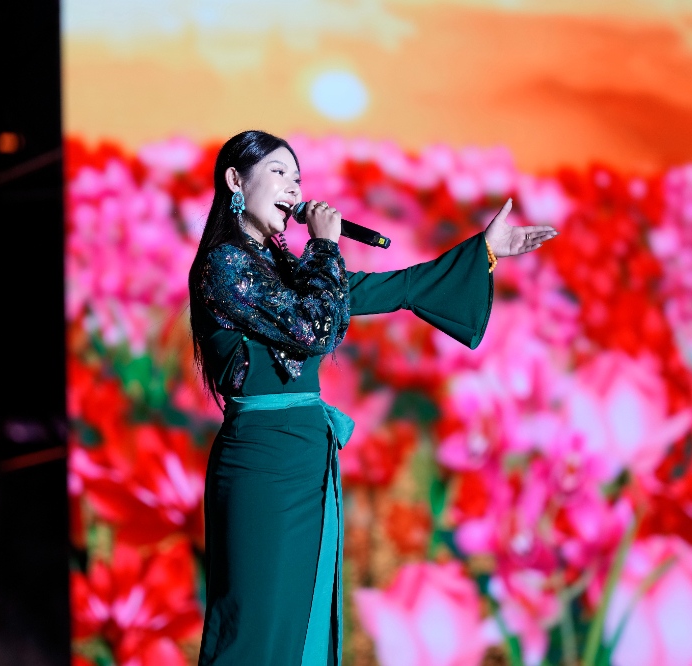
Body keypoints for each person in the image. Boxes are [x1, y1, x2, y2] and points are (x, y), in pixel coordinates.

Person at [188, 130, 558, 666]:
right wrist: (324, 245)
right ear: (235, 181)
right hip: (262, 463)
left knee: (302, 617)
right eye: (278, 173)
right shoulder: (224, 266)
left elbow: (387, 288)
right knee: (258, 624)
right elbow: (313, 326)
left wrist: (482, 252)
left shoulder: (284, 268)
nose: (294, 188)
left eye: (298, 178)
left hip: (305, 455)